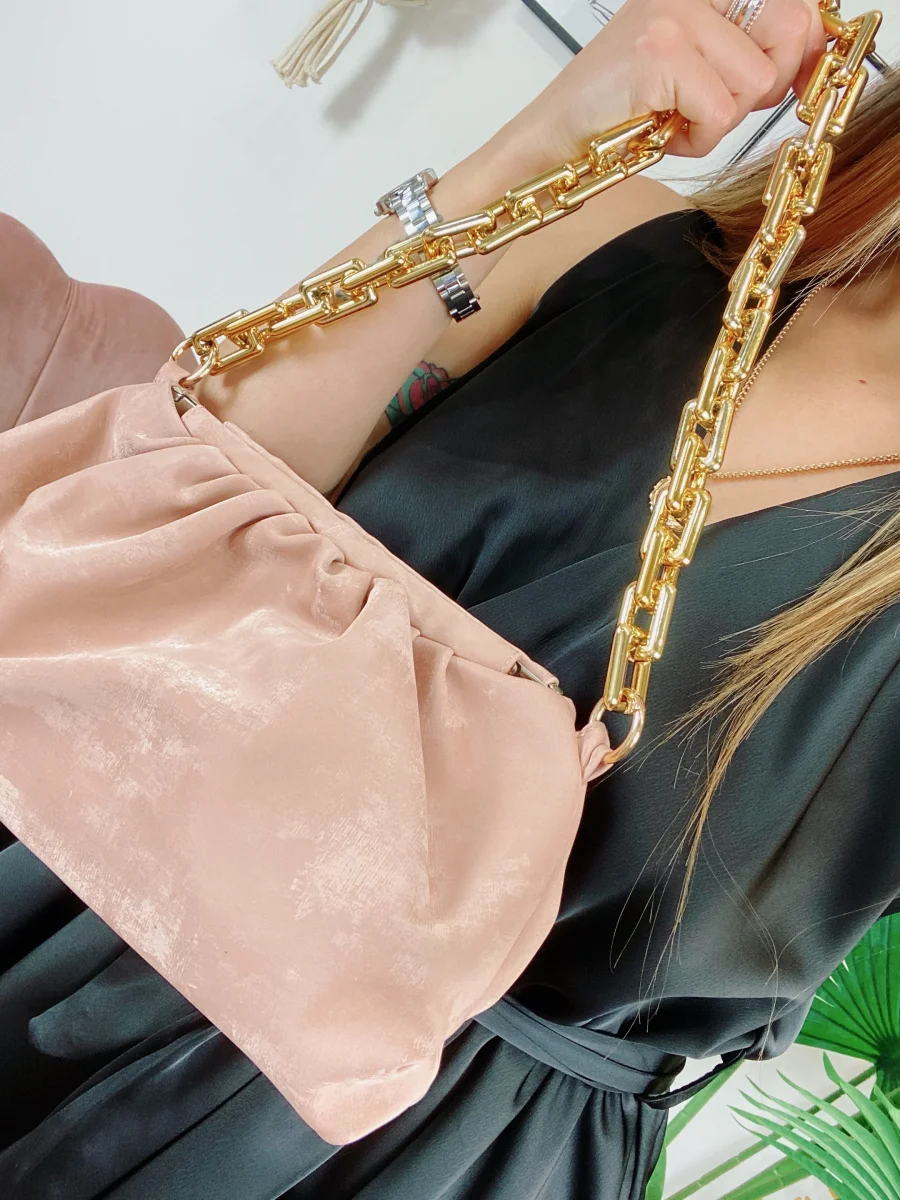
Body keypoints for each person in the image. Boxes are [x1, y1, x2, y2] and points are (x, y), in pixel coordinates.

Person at [2, 0, 899, 1196]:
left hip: (402, 1145)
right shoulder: (630, 241)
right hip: (97, 851)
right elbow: (198, 488)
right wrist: (546, 138)